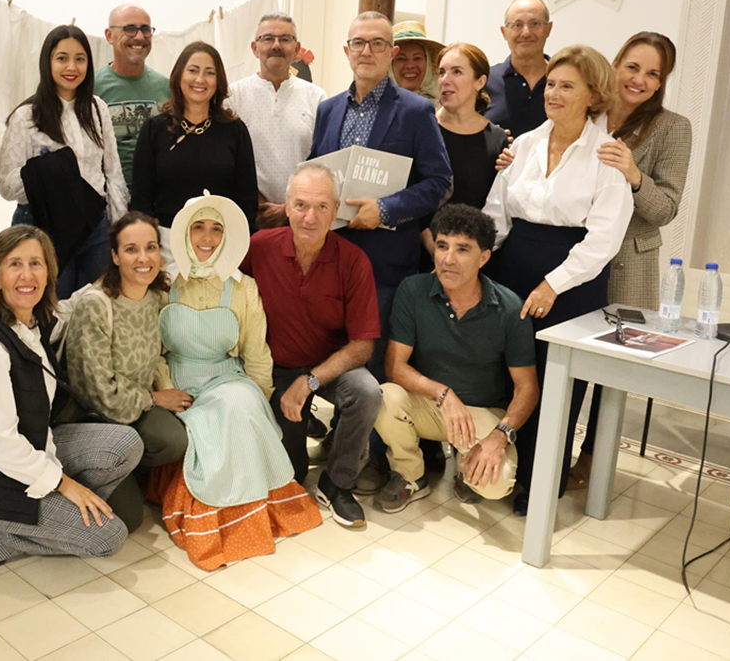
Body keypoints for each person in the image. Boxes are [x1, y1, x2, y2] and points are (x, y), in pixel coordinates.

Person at [483, 44, 633, 512]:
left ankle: (541, 481)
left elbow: (603, 240)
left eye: (568, 86)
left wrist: (553, 285)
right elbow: (497, 214)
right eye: (551, 83)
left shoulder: (607, 156)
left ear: (593, 95)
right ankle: (497, 470)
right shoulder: (523, 145)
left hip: (573, 282)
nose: (554, 92)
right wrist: (478, 264)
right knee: (511, 373)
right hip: (514, 272)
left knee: (554, 382)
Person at [0, 226, 144, 563]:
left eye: (36, 264)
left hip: (37, 446)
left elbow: (73, 304)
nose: (27, 275)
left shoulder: (32, 323)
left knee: (126, 444)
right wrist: (65, 484)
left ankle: (53, 517)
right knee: (109, 538)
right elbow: (5, 447)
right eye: (15, 265)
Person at [150, 193, 321, 569]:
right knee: (213, 419)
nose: (207, 237)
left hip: (225, 377)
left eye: (216, 229)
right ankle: (210, 520)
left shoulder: (243, 288)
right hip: (175, 378)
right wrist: (162, 388)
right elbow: (153, 350)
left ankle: (250, 520)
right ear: (184, 232)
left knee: (238, 407)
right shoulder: (163, 283)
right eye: (199, 227)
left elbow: (256, 353)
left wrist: (259, 403)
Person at [571, 33, 691, 488]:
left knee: (609, 371)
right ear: (615, 64)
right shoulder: (588, 111)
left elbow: (666, 209)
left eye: (653, 74)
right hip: (576, 255)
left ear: (662, 83)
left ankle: (593, 458)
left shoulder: (672, 127)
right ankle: (553, 444)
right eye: (632, 67)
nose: (640, 80)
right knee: (565, 358)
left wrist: (634, 174)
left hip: (628, 265)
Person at [308, 11, 452, 381]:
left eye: (377, 43)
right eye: (359, 43)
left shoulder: (416, 111)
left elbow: (439, 181)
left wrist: (386, 209)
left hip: (384, 262)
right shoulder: (327, 110)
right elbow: (315, 170)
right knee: (328, 353)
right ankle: (339, 438)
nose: (367, 51)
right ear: (347, 50)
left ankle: (369, 441)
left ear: (391, 52)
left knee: (372, 362)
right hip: (330, 255)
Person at [241, 165, 384, 528]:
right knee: (289, 474)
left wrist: (309, 382)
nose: (310, 217)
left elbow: (363, 346)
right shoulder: (258, 249)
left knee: (367, 392)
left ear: (336, 211)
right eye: (302, 205)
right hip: (274, 368)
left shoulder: (354, 261)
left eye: (322, 207)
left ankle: (337, 483)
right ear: (286, 207)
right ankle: (299, 458)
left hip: (327, 367)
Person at [373, 205, 539, 512]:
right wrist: (443, 395)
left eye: (463, 249)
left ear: (484, 257)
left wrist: (501, 436)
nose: (448, 259)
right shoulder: (413, 290)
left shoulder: (509, 307)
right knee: (382, 397)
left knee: (496, 485)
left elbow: (526, 388)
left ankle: (467, 469)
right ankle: (410, 475)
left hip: (481, 414)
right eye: (442, 246)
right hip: (430, 404)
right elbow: (395, 368)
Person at [64, 212, 188, 530]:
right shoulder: (96, 305)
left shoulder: (159, 296)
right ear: (115, 256)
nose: (143, 258)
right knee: (129, 521)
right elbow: (98, 394)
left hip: (136, 409)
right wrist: (156, 399)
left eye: (151, 247)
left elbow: (163, 353)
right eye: (131, 249)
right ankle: (87, 470)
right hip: (94, 417)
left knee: (174, 439)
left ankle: (128, 469)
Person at [0, 25, 128, 298]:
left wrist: (119, 228)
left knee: (95, 307)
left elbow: (113, 173)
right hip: (43, 227)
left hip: (95, 226)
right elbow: (7, 187)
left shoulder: (97, 109)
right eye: (62, 58)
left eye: (80, 58)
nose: (72, 66)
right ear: (48, 62)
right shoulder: (26, 116)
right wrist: (51, 174)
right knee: (51, 312)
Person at [132, 42, 260, 255]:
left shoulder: (235, 130)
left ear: (218, 81)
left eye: (209, 73)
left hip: (220, 246)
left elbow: (247, 199)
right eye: (192, 70)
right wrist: (149, 248)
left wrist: (240, 248)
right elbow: (141, 199)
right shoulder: (154, 129)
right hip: (167, 246)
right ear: (179, 76)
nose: (200, 80)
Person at [229, 12, 327, 229]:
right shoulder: (233, 97)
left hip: (304, 220)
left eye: (285, 39)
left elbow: (324, 162)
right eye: (268, 39)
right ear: (255, 48)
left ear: (297, 48)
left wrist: (291, 208)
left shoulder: (317, 98)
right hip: (251, 217)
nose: (276, 45)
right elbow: (228, 162)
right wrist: (258, 205)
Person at [423, 43, 510, 254]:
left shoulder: (497, 140)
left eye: (457, 72)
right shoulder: (423, 129)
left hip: (472, 257)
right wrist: (436, 250)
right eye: (442, 72)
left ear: (480, 82)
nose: (445, 80)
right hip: (421, 252)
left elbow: (497, 210)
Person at [95, 4, 171, 195]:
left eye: (145, 29)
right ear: (109, 35)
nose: (139, 36)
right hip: (105, 199)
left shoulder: (167, 87)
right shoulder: (91, 88)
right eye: (129, 28)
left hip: (155, 198)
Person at [485, 0, 553, 139]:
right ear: (504, 32)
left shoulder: (567, 82)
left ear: (548, 29)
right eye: (517, 25)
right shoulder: (484, 81)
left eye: (535, 23)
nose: (526, 33)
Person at [390, 20, 443, 106]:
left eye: (417, 58)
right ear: (390, 65)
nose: (410, 65)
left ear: (428, 64)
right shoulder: (378, 107)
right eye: (401, 58)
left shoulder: (445, 110)